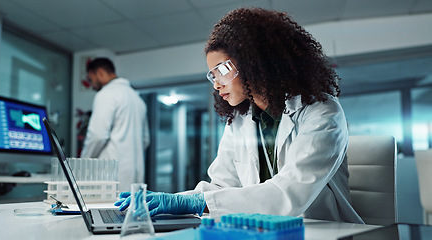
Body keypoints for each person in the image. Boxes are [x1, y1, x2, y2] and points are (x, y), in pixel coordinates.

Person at [115, 8, 364, 224]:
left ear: (255, 62)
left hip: (323, 230)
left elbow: (288, 195)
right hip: (261, 230)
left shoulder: (321, 112)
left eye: (222, 70)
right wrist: (174, 200)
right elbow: (222, 187)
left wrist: (195, 203)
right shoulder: (241, 120)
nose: (216, 84)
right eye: (212, 75)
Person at [81, 57, 150, 191]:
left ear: (100, 72)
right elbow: (145, 140)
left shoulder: (106, 94)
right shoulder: (137, 98)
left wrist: (82, 164)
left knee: (107, 211)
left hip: (111, 176)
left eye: (91, 80)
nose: (92, 85)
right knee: (131, 210)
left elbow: (97, 135)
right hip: (135, 176)